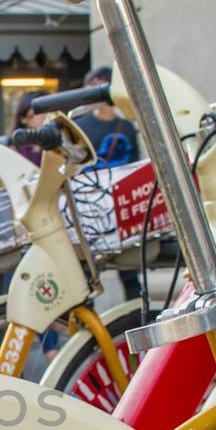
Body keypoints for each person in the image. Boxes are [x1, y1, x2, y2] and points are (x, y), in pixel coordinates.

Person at [73, 65, 142, 300]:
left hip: (122, 202)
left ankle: (136, 313)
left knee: (131, 269)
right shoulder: (81, 125)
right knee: (88, 270)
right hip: (91, 204)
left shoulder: (128, 127)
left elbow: (134, 163)